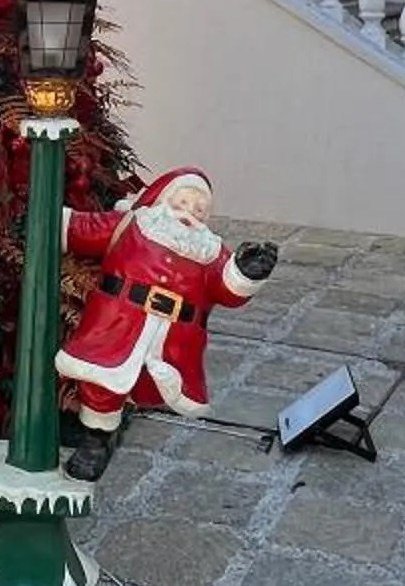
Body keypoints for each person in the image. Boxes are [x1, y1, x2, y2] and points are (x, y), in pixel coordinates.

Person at [54, 167, 278, 481]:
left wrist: (247, 272)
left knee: (151, 381)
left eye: (199, 209)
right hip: (118, 322)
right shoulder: (132, 225)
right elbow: (83, 229)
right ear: (160, 200)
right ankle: (95, 441)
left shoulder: (209, 252)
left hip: (174, 336)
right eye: (181, 202)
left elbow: (228, 289)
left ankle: (120, 417)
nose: (189, 213)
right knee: (102, 381)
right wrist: (46, 220)